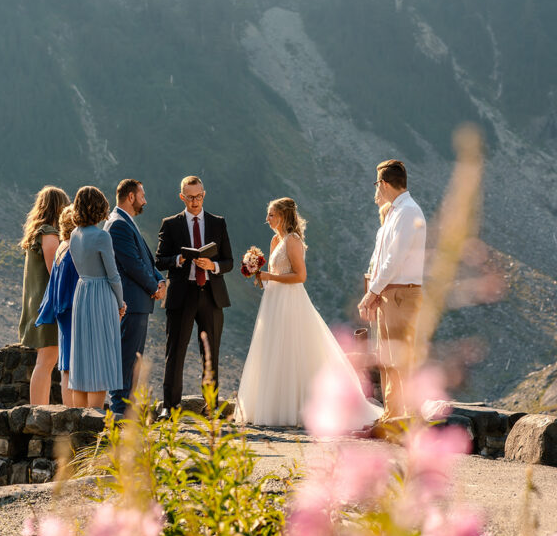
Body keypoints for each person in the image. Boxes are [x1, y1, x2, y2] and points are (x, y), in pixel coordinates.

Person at [235, 198, 383, 428]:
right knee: (274, 349)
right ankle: (273, 406)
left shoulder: (292, 241)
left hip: (291, 300)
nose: (267, 219)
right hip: (274, 301)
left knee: (294, 349)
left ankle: (303, 407)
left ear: (282, 216)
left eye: (271, 215)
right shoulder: (276, 240)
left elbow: (300, 276)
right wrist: (261, 275)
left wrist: (270, 277)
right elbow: (275, 271)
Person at [154, 176, 233, 419]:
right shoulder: (170, 224)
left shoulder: (217, 223)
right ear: (182, 197)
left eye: (198, 196)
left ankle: (211, 407)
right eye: (190, 197)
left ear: (204, 195)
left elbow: (228, 261)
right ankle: (170, 406)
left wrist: (212, 265)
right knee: (175, 352)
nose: (195, 201)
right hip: (182, 293)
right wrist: (179, 259)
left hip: (211, 295)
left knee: (210, 353)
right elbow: (159, 259)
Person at [357, 160, 426, 420]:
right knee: (387, 358)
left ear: (384, 184)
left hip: (401, 293)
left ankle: (408, 418)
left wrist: (371, 293)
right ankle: (391, 415)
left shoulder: (408, 212)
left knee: (400, 359)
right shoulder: (396, 212)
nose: (376, 188)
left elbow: (394, 260)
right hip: (390, 293)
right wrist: (376, 292)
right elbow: (382, 257)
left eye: (377, 183)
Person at [103, 179, 166, 416]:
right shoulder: (118, 224)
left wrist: (160, 279)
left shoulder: (125, 222)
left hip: (138, 302)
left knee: (133, 357)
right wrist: (154, 288)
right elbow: (132, 264)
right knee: (126, 356)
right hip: (131, 302)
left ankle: (127, 408)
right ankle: (119, 409)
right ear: (130, 196)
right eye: (142, 195)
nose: (145, 200)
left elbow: (146, 259)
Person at [68, 186, 126, 409]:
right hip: (101, 295)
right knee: (100, 364)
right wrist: (120, 303)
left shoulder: (74, 234)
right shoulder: (102, 236)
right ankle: (93, 428)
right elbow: (113, 275)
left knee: (82, 363)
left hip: (82, 293)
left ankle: (78, 422)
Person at [18, 185, 70, 405]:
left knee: (46, 359)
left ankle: (38, 408)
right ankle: (38, 410)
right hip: (48, 306)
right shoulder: (49, 234)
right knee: (47, 359)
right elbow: (56, 271)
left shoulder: (35, 234)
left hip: (36, 303)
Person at [35, 205, 78, 406]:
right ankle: (73, 411)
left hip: (62, 311)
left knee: (66, 366)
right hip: (72, 310)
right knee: (71, 366)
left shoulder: (62, 247)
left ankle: (71, 410)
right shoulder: (72, 249)